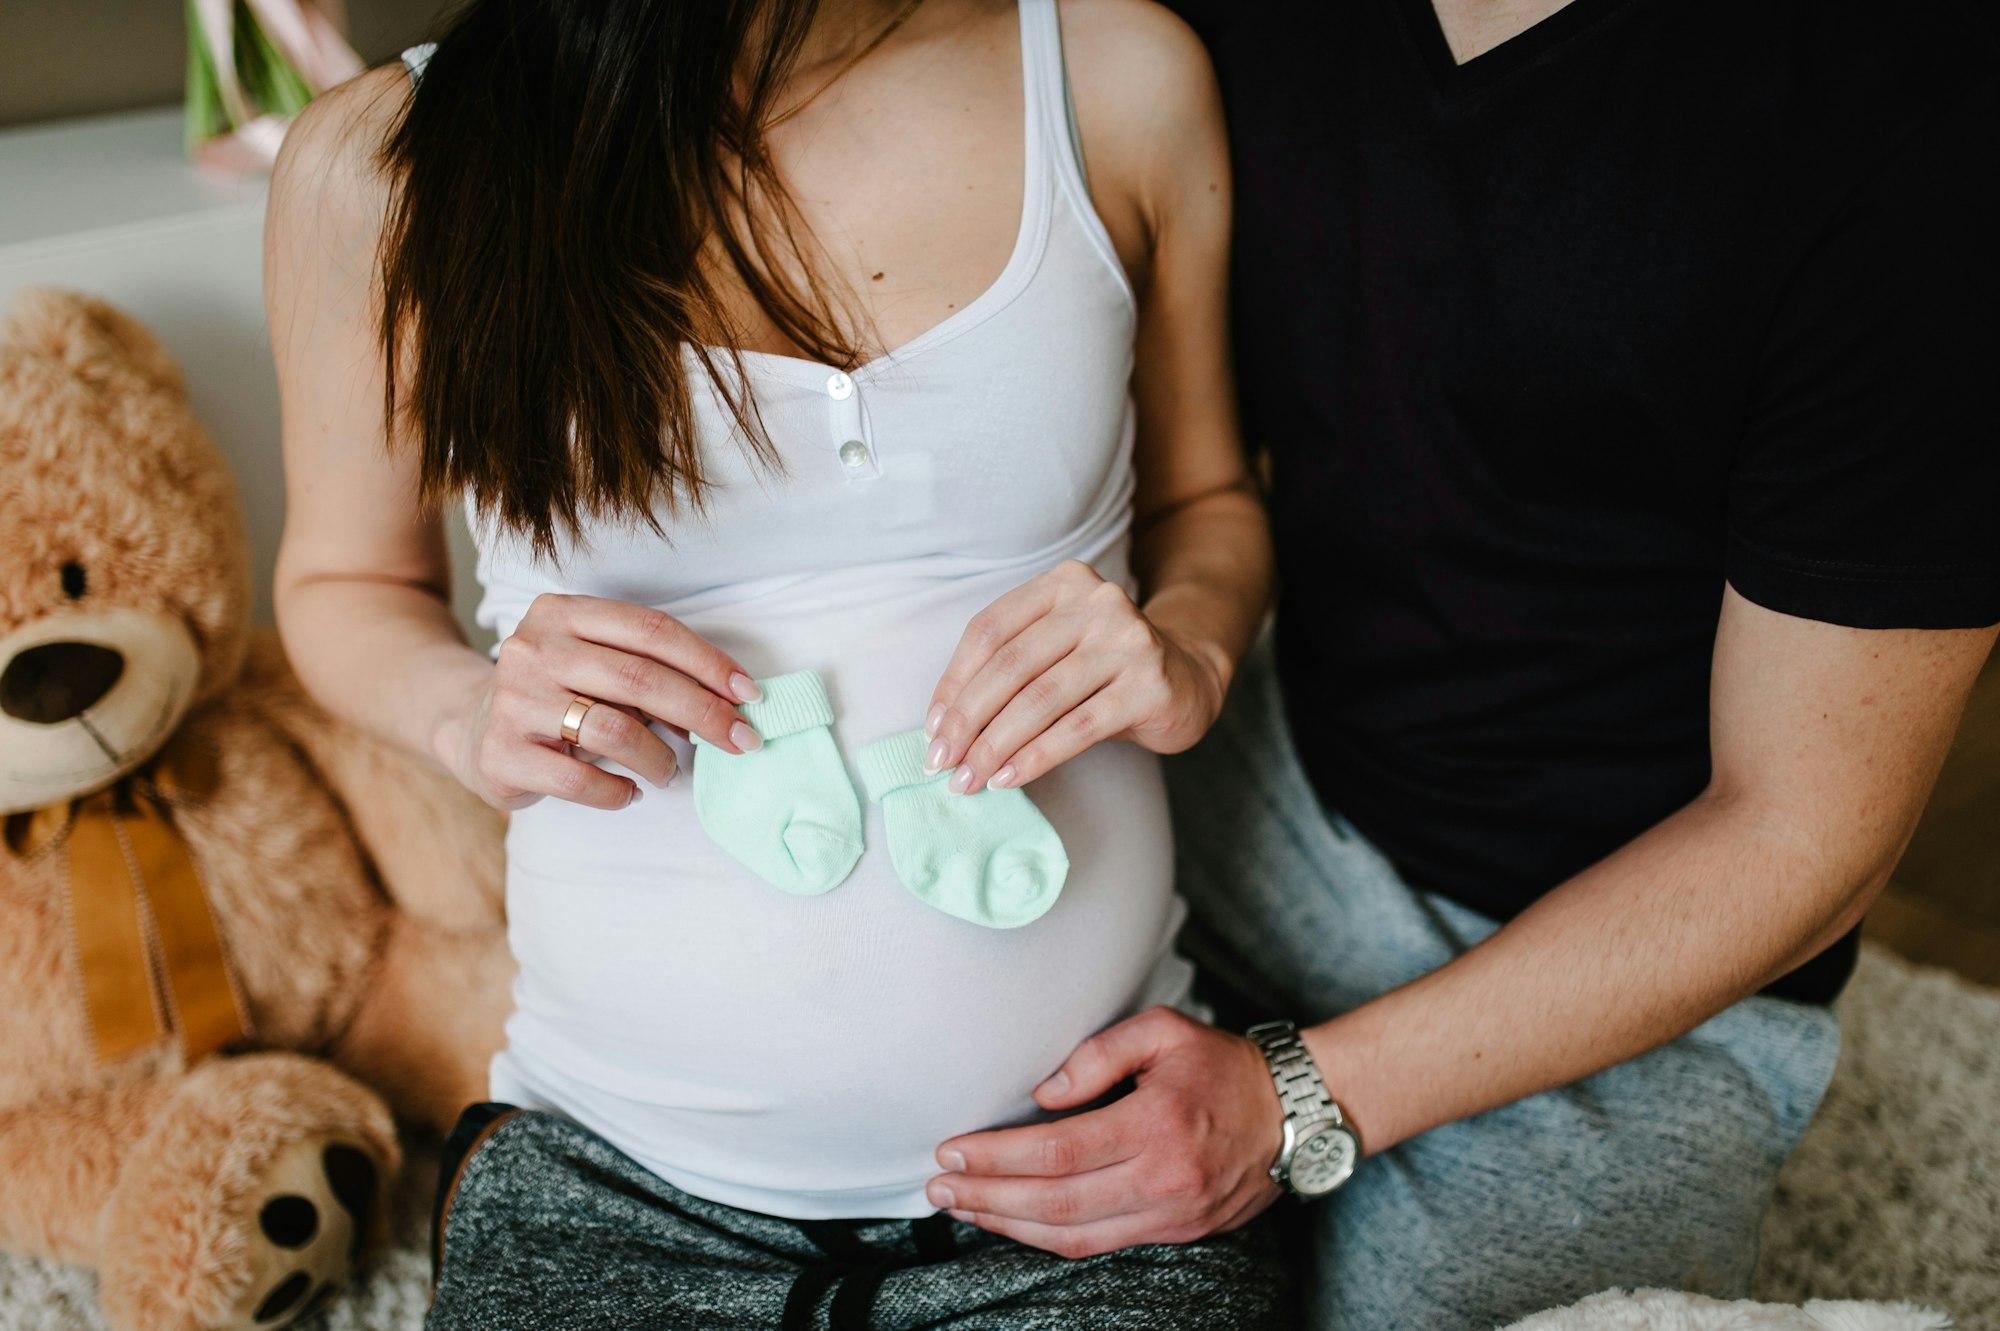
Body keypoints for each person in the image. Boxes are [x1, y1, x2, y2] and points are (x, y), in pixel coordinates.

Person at [923, 0, 2000, 1326]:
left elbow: (1802, 839)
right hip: (1277, 765)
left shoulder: (1920, 119)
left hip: (1630, 971)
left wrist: (1292, 1099)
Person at [267, 0, 1288, 1325]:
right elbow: (343, 584)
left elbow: (1208, 498)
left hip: (1100, 1173)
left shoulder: (1112, 73)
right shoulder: (386, 164)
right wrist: (468, 708)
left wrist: (1191, 647)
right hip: (615, 1181)